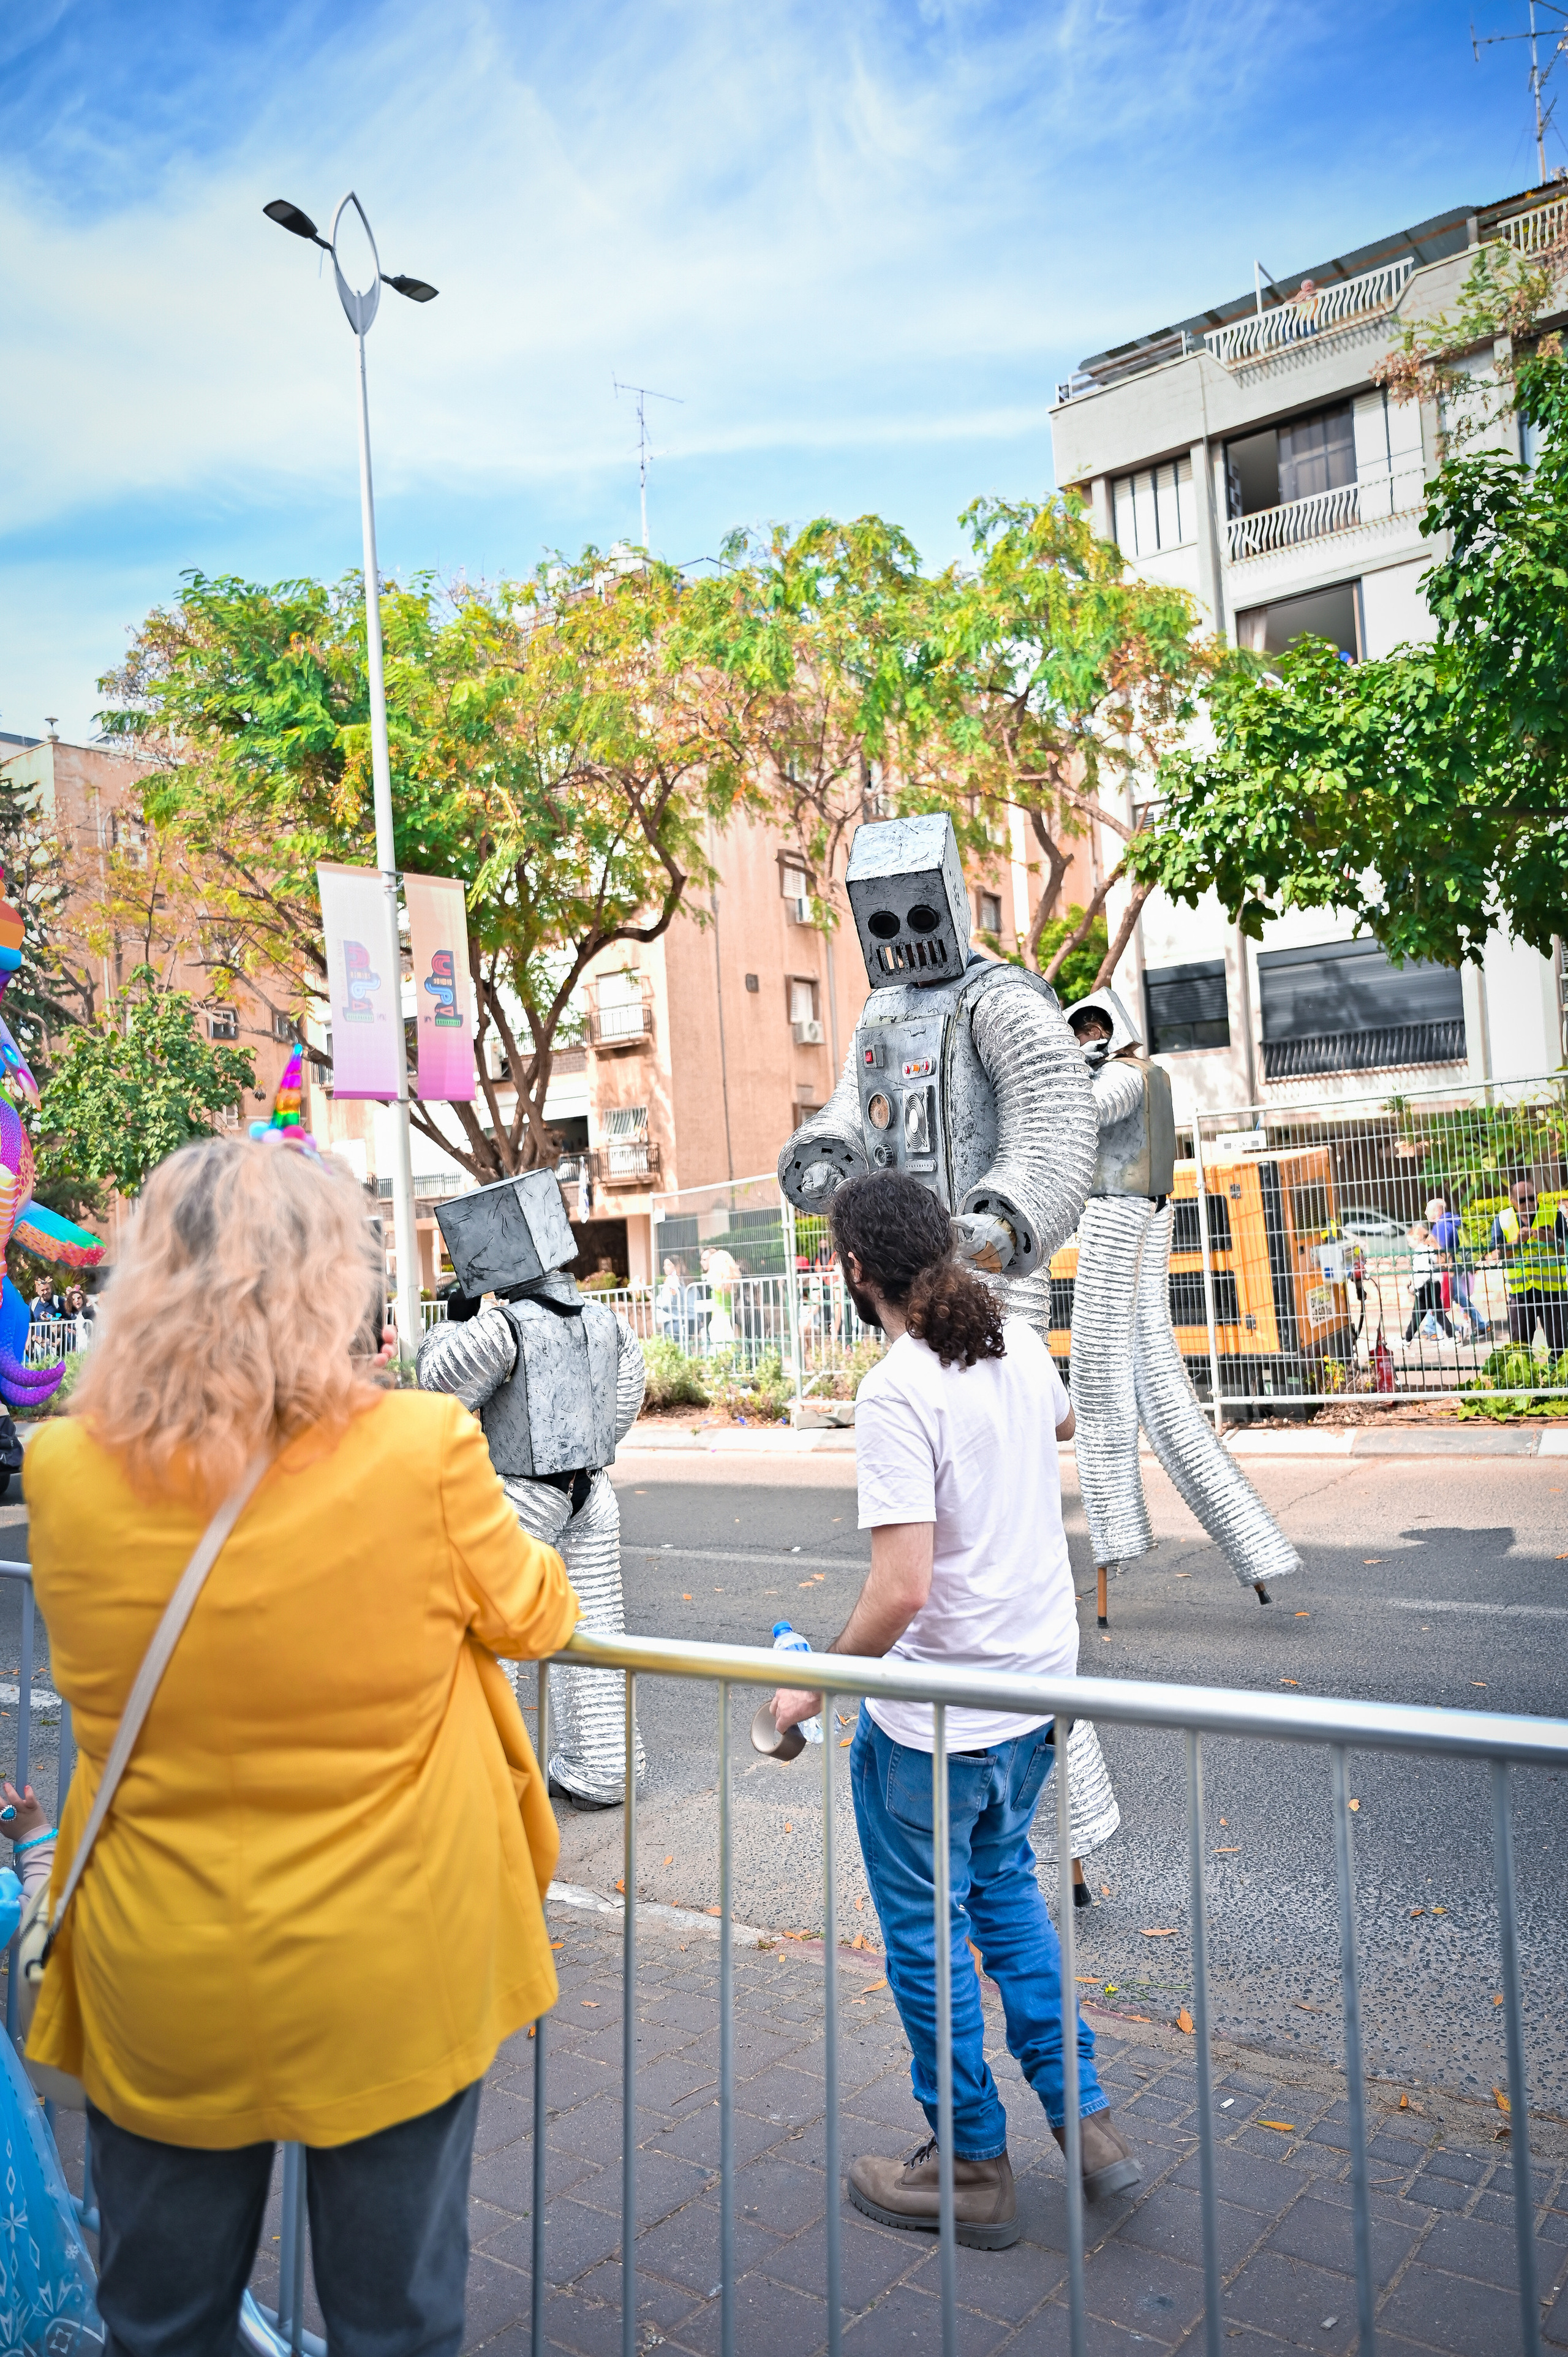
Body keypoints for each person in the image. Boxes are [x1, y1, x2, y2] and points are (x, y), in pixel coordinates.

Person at [24, 1135, 578, 2356]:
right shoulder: (420, 1449)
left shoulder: (62, 1470)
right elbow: (536, 1614)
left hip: (158, 1969)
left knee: (161, 2320)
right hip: (391, 1966)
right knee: (397, 2320)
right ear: (334, 1283)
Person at [771, 1172, 1139, 2252]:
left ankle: (973, 2164)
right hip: (1033, 1698)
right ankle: (1086, 2119)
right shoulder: (1013, 1343)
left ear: (854, 1269)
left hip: (934, 1723)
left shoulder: (896, 1389)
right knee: (1011, 1901)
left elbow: (900, 1591)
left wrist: (813, 1686)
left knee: (930, 1943)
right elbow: (1063, 1421)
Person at [1487, 1177, 1568, 1358]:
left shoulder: (1553, 1214)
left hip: (1553, 1293)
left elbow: (1566, 1249)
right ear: (1513, 1201)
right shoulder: (1503, 1219)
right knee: (1520, 1348)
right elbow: (1495, 1255)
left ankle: (1560, 1383)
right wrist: (1516, 1242)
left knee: (1560, 1348)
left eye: (1532, 1198)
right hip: (1520, 1295)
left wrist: (1553, 1241)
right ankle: (1525, 1383)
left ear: (1538, 1197)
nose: (1528, 1203)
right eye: (1523, 1200)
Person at [1427, 1194, 1485, 1340]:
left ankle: (1434, 1329)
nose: (1426, 1213)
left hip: (1448, 1268)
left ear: (1437, 1212)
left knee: (1438, 1297)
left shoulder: (1441, 1226)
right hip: (1455, 1266)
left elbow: (1442, 1249)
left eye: (1428, 1209)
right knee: (1456, 1297)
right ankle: (1480, 1324)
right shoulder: (1451, 1222)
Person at [1404, 1220, 1455, 1342]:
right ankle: (1453, 1334)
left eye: (1410, 1241)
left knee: (1419, 1314)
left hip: (1425, 1287)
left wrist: (1415, 1287)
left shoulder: (1422, 1252)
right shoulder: (1430, 1249)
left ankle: (1407, 1339)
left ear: (1417, 1239)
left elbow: (1423, 1273)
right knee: (1437, 1313)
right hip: (1434, 1284)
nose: (1409, 1244)